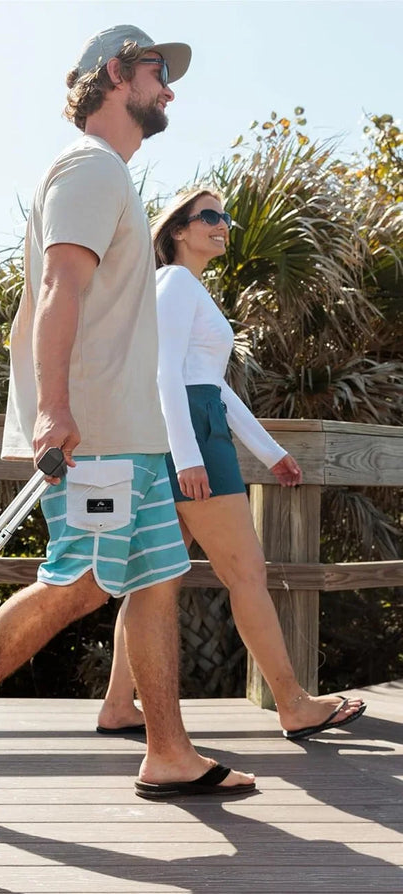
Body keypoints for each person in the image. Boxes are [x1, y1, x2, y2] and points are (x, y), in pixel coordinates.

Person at [0, 25, 257, 814]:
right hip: (96, 435)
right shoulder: (89, 169)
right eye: (158, 72)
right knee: (81, 582)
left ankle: (169, 751)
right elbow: (60, 288)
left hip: (135, 431)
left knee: (155, 578)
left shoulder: (112, 176)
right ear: (116, 74)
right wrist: (54, 409)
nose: (169, 89)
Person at [97, 188, 367, 740]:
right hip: (190, 435)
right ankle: (292, 703)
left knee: (150, 582)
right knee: (247, 574)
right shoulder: (174, 283)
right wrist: (190, 457)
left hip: (192, 427)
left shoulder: (185, 288)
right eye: (210, 216)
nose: (223, 225)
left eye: (226, 217)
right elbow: (166, 375)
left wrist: (270, 452)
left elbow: (212, 384)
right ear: (178, 230)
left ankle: (118, 705)